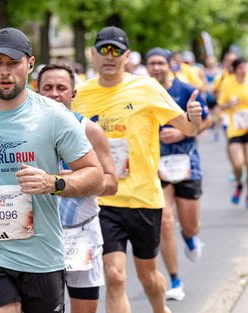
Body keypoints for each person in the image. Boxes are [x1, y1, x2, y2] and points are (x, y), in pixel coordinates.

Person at [0, 27, 105, 313]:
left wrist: (53, 183)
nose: (5, 72)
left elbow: (95, 175)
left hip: (42, 253)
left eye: (13, 63)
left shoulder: (55, 116)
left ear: (30, 65)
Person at [72, 26, 202, 313]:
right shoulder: (79, 94)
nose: (109, 56)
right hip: (104, 199)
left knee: (148, 277)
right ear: (93, 54)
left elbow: (188, 128)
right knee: (115, 276)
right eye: (103, 50)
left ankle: (160, 308)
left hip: (143, 198)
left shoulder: (147, 88)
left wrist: (194, 120)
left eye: (116, 51)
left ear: (127, 56)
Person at [37, 63, 118, 313]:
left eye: (61, 88)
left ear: (73, 93)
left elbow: (112, 184)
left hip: (80, 232)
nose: (54, 93)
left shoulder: (89, 130)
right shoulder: (23, 131)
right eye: (47, 88)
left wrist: (77, 179)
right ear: (37, 91)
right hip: (38, 235)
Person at [146, 47, 212, 301]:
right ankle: (175, 278)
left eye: (161, 63)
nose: (156, 67)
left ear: (170, 64)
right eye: (152, 63)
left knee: (190, 224)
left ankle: (191, 238)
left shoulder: (185, 90)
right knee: (164, 222)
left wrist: (182, 132)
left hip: (186, 162)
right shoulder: (144, 91)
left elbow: (205, 121)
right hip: (156, 163)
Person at [217, 57, 248, 207]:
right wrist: (229, 104)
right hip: (235, 129)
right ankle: (239, 184)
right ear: (235, 69)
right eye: (241, 67)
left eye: (245, 67)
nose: (244, 70)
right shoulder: (228, 82)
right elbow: (220, 106)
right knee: (238, 164)